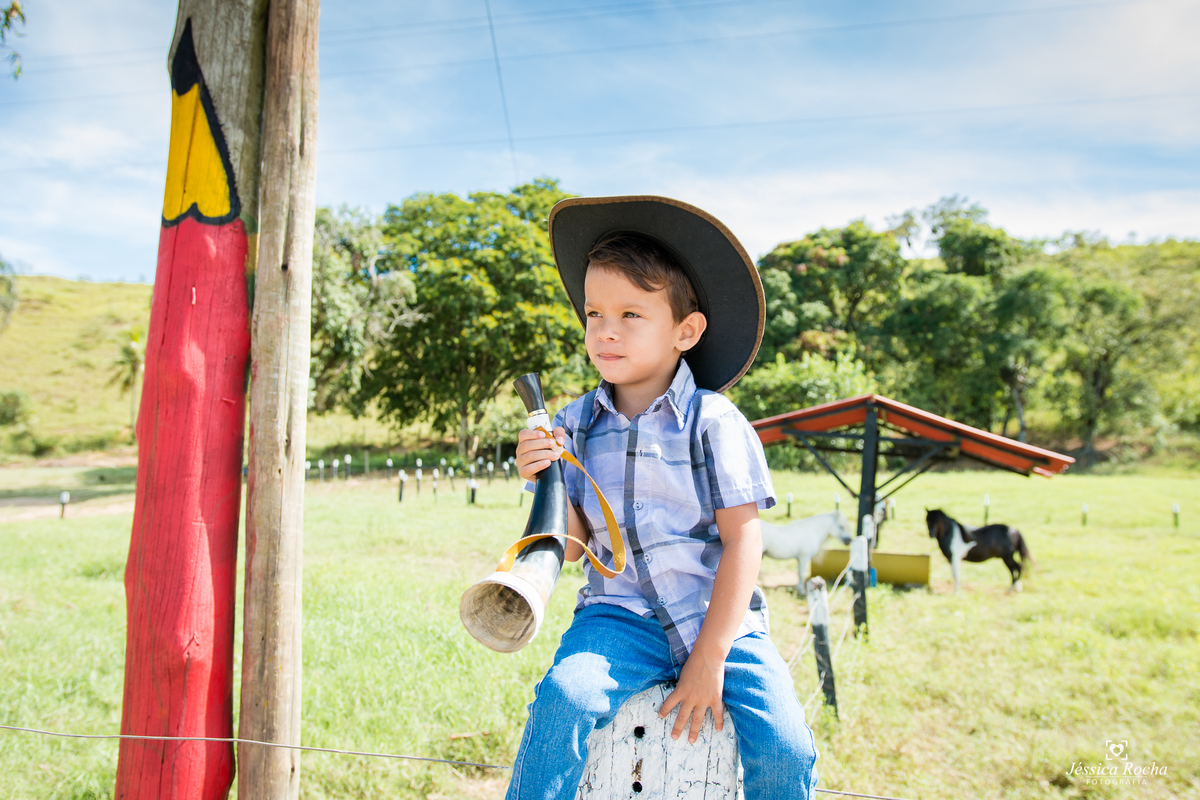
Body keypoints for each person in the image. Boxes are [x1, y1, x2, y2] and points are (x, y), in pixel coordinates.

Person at [507, 196, 818, 800]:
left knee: (786, 744)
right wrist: (546, 476)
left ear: (686, 330)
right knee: (562, 700)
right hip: (617, 616)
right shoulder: (572, 426)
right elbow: (571, 548)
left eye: (631, 313)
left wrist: (710, 658)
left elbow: (743, 541)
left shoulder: (714, 421)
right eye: (594, 313)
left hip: (718, 619)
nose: (606, 330)